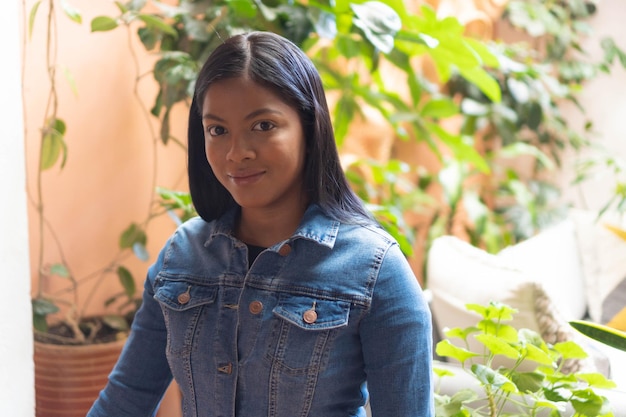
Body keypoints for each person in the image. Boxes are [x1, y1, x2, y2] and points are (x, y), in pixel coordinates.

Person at [87, 31, 434, 417]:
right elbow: (124, 400)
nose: (237, 154)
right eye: (217, 130)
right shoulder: (181, 258)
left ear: (310, 126)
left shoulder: (375, 272)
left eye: (264, 126)